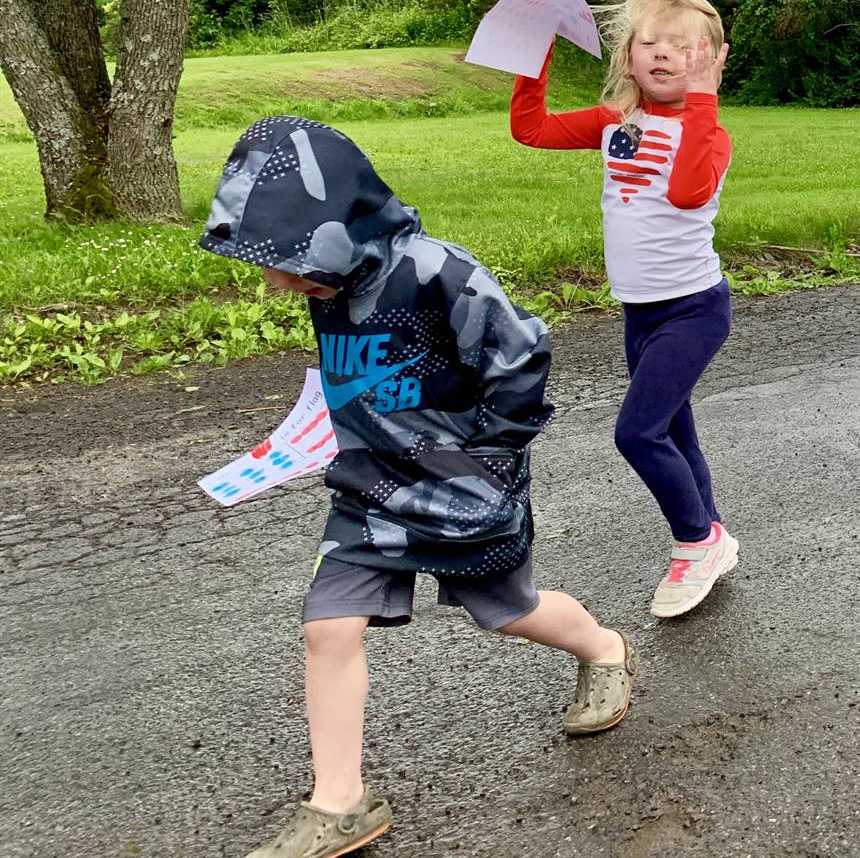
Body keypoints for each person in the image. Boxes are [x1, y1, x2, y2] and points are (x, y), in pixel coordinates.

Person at [201, 119, 636, 858]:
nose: (276, 283)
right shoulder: (329, 278)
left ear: (343, 227)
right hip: (367, 488)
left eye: (286, 262)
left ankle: (604, 649)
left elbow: (521, 355)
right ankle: (339, 803)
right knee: (328, 626)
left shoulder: (438, 272)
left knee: (509, 612)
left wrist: (491, 456)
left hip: (464, 487)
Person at [509, 0, 740, 617]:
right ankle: (712, 531)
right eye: (649, 42)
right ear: (628, 55)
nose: (664, 54)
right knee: (669, 429)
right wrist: (537, 56)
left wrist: (704, 101)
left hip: (693, 309)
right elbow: (531, 130)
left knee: (637, 433)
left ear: (710, 60)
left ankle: (696, 541)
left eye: (684, 47)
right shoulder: (618, 123)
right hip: (641, 311)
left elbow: (690, 191)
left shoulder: (710, 133)